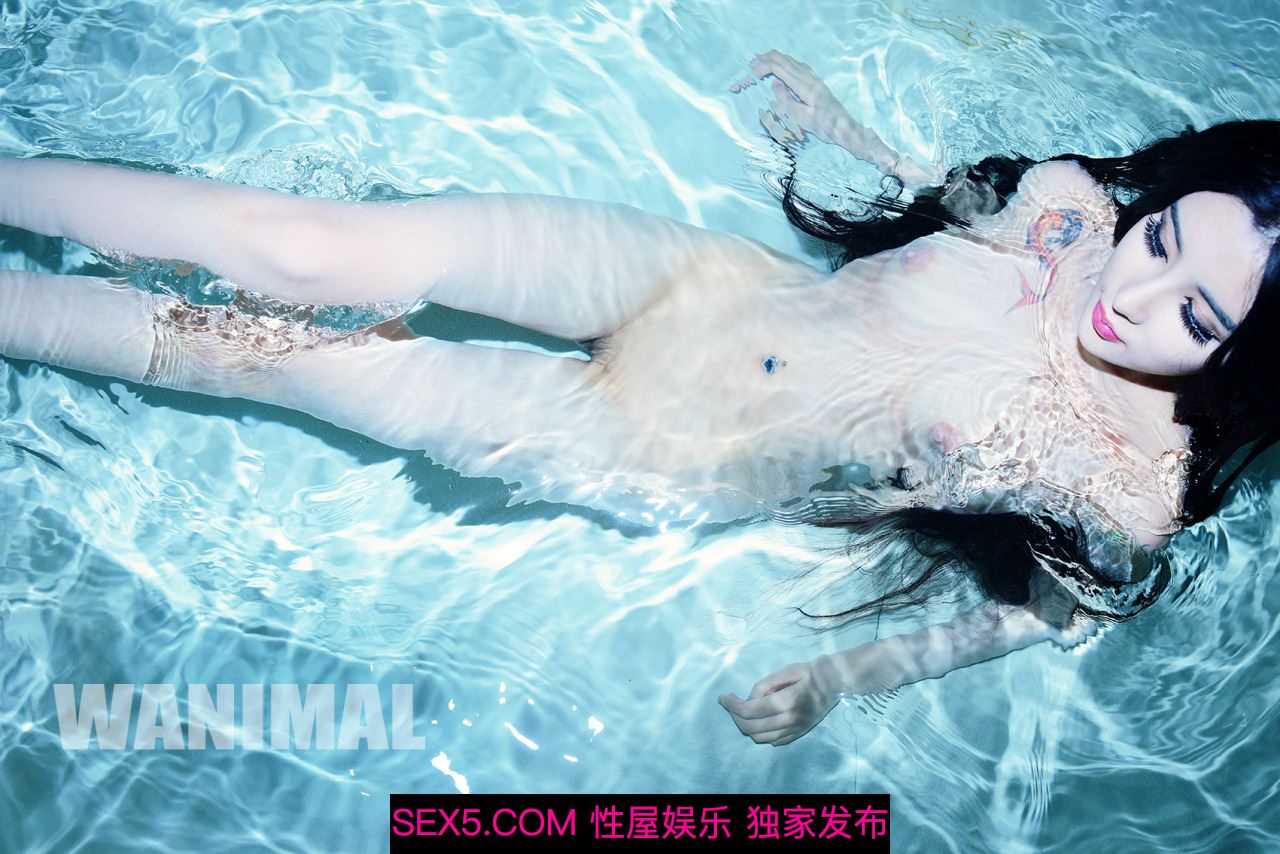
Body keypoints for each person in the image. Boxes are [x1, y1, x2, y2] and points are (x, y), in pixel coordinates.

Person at [0, 51, 1276, 748]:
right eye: (1164, 237)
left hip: (661, 445)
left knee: (272, 353)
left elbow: (1039, 614)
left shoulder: (1126, 484)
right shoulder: (1068, 212)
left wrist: (843, 675)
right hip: (693, 278)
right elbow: (953, 199)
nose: (1132, 293)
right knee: (305, 249)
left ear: (1241, 365)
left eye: (1195, 317)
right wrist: (837, 134)